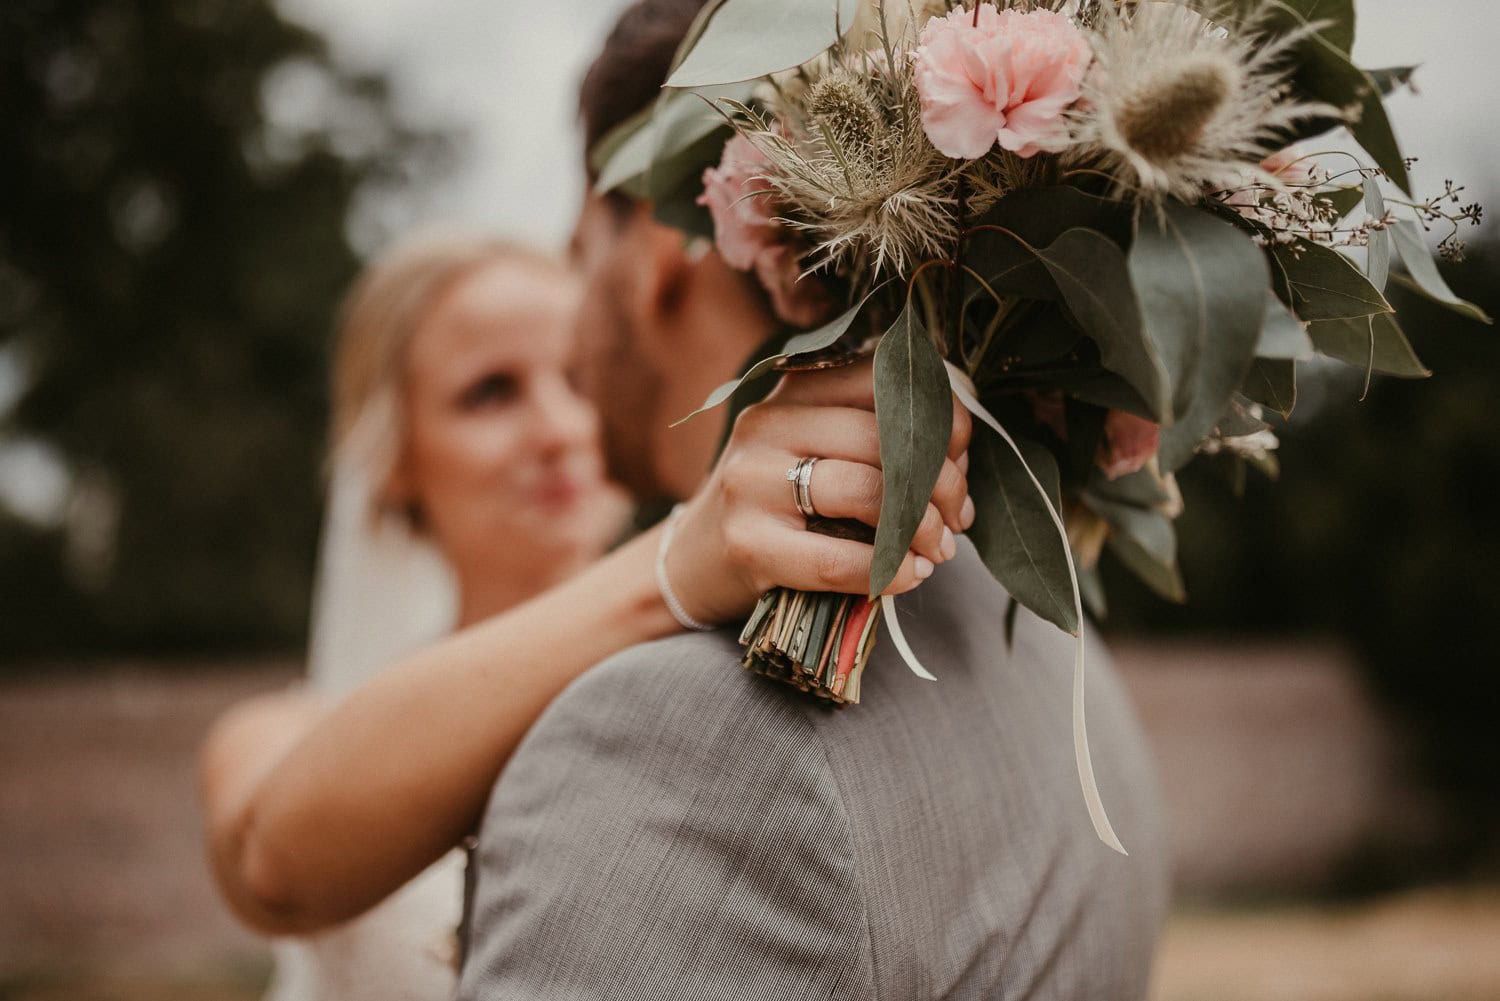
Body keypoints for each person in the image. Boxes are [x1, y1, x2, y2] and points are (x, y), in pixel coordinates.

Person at [452, 2, 1171, 999]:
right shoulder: (1059, 648)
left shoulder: (668, 737)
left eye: (580, 252)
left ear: (660, 255)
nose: (567, 342)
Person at [200, 237, 969, 999]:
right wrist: (672, 562)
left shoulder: (715, 679)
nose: (560, 427)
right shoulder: (278, 732)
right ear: (394, 455)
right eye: (491, 391)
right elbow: (273, 868)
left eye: (576, 376)